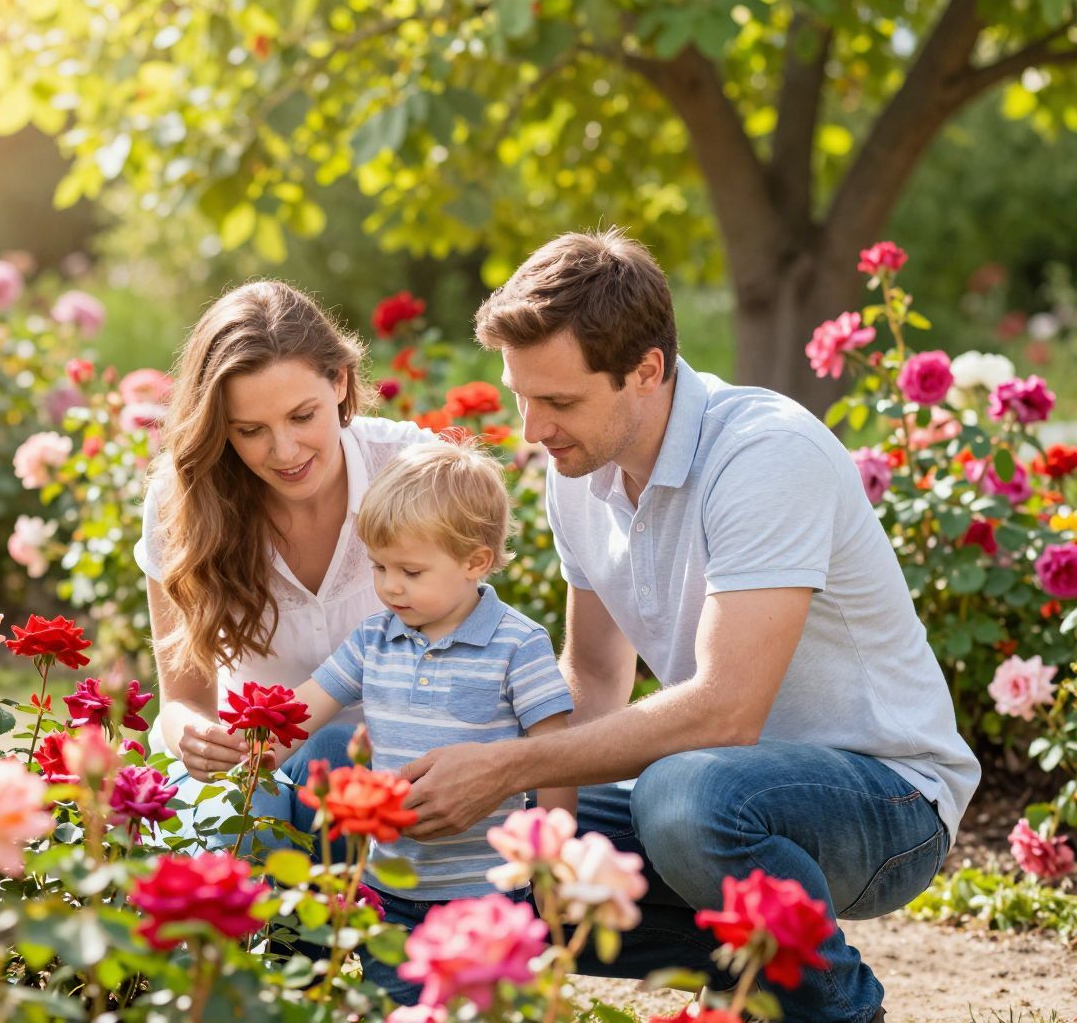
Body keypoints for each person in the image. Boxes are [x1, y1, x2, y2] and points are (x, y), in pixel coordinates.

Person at [397, 229, 981, 1022]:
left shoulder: (765, 454)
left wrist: (506, 766)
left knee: (685, 796)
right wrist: (533, 825)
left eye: (560, 402)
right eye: (521, 396)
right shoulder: (579, 472)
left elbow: (726, 711)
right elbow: (593, 677)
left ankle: (837, 1008)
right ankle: (749, 969)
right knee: (482, 838)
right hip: (722, 798)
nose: (532, 429)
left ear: (647, 370)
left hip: (889, 801)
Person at [274, 440, 575, 1004]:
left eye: (410, 571)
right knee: (400, 1009)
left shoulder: (518, 644)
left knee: (486, 1010)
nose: (390, 586)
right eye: (379, 567)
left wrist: (551, 864)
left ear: (474, 562)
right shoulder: (374, 638)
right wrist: (251, 744)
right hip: (390, 886)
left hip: (487, 891)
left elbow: (556, 756)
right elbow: (306, 706)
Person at [136, 280, 427, 851]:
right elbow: (183, 698)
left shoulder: (411, 471)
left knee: (339, 763)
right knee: (250, 824)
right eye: (250, 431)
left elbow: (470, 656)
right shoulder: (183, 501)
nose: (285, 451)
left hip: (393, 762)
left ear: (339, 381)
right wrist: (195, 735)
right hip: (243, 764)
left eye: (302, 416)